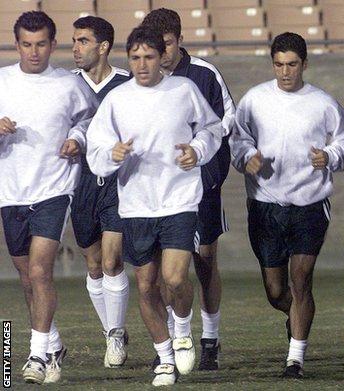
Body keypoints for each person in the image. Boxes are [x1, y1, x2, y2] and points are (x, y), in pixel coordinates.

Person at [86, 26, 224, 386]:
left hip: (179, 199)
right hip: (136, 205)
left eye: (149, 56)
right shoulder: (117, 100)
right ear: (127, 59)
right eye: (135, 58)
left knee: (175, 277)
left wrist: (198, 151)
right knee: (146, 285)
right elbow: (96, 152)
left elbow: (212, 129)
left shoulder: (184, 90)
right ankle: (164, 357)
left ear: (161, 56)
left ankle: (182, 328)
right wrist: (112, 155)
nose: (142, 64)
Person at [230, 32, 344, 379]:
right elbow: (237, 139)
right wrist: (246, 158)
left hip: (309, 204)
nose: (285, 72)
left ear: (304, 64)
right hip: (265, 204)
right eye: (279, 65)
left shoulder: (322, 102)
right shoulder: (254, 100)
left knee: (301, 280)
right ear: (272, 64)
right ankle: (296, 316)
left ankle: (295, 359)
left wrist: (328, 156)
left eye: (292, 65)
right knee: (276, 291)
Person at [0, 11, 98, 385]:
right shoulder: (2, 81)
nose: (34, 51)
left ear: (53, 45)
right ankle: (53, 342)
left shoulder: (70, 85)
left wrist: (79, 138)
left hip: (55, 188)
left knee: (41, 270)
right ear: (17, 44)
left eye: (41, 44)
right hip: (10, 191)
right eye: (27, 44)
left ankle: (37, 355)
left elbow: (92, 120)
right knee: (27, 277)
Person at [141, 8, 235, 371]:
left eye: (166, 44)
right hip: (162, 192)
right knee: (168, 270)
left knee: (205, 262)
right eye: (155, 45)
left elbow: (227, 119)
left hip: (202, 186)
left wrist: (205, 164)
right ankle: (169, 342)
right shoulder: (144, 80)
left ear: (179, 40)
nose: (161, 53)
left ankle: (210, 338)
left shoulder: (203, 74)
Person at [70, 15, 132, 368]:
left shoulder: (127, 83)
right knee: (94, 265)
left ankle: (115, 336)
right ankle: (113, 331)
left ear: (103, 46)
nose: (76, 48)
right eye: (75, 40)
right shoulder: (68, 85)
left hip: (117, 185)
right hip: (79, 186)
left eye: (83, 41)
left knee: (112, 260)